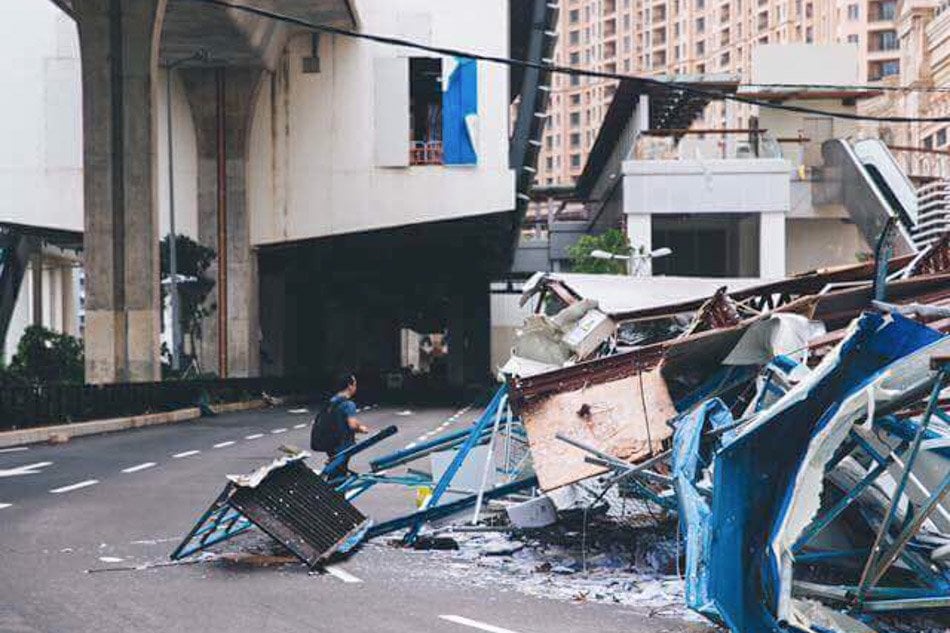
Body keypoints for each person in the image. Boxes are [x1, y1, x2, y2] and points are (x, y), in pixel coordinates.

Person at [324, 373, 369, 471]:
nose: (355, 387)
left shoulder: (332, 400)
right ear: (350, 386)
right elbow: (352, 424)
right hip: (342, 444)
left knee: (335, 470)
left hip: (330, 442)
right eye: (355, 384)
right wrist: (362, 429)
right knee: (340, 473)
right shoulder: (349, 404)